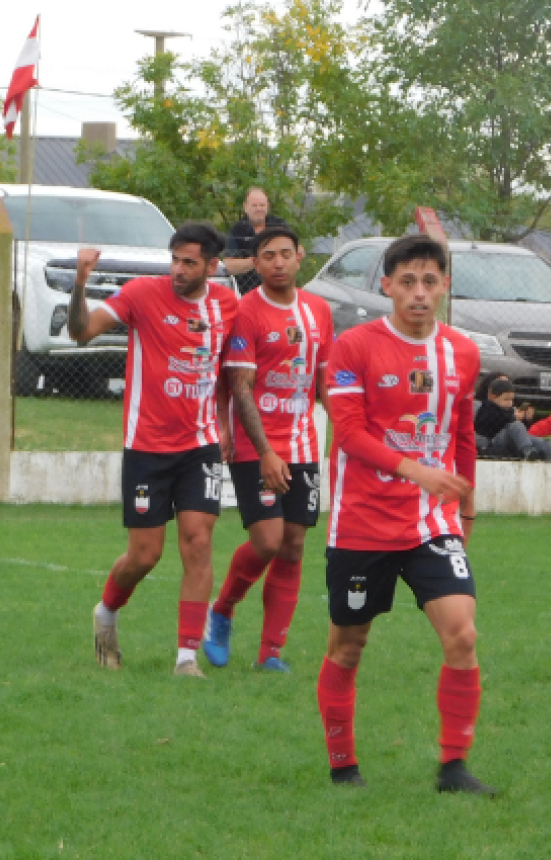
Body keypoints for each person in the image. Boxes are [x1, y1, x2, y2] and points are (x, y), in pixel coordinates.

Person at [317, 234, 496, 794]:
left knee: (462, 636)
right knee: (348, 645)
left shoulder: (462, 352)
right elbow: (347, 434)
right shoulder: (352, 347)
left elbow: (462, 433)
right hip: (362, 522)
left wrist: (463, 506)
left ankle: (453, 767)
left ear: (444, 286)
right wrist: (415, 470)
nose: (419, 293)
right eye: (408, 282)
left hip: (430, 523)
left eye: (430, 281)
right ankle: (343, 764)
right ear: (387, 286)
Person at [67, 222, 239, 678]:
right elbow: (81, 332)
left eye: (189, 262)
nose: (178, 270)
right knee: (145, 555)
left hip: (199, 446)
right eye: (175, 260)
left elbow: (230, 372)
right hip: (146, 446)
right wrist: (80, 283)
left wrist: (224, 423)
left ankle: (186, 657)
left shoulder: (227, 305)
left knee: (199, 543)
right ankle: (106, 610)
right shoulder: (142, 295)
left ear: (211, 266)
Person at [202, 226, 334, 672]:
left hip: (304, 444)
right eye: (267, 255)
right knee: (267, 540)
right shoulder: (246, 312)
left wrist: (347, 430)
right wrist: (265, 452)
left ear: (300, 257)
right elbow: (241, 389)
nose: (277, 262)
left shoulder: (320, 312)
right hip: (255, 446)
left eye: (285, 254)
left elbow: (325, 381)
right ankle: (222, 609)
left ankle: (270, 653)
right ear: (255, 264)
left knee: (294, 546)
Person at [224, 188, 293, 295]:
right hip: (246, 293)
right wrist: (259, 259)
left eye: (262, 205)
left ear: (268, 206)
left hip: (278, 290)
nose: (259, 209)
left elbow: (298, 251)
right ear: (245, 207)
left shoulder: (280, 225)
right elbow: (229, 266)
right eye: (254, 205)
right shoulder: (237, 230)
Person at [474, 378, 551, 461]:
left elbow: (523, 431)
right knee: (516, 425)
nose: (510, 403)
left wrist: (526, 420)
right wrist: (513, 418)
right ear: (493, 397)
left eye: (512, 400)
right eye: (506, 399)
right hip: (493, 440)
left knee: (545, 444)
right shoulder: (486, 408)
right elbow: (490, 422)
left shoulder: (511, 410)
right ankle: (528, 451)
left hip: (514, 439)